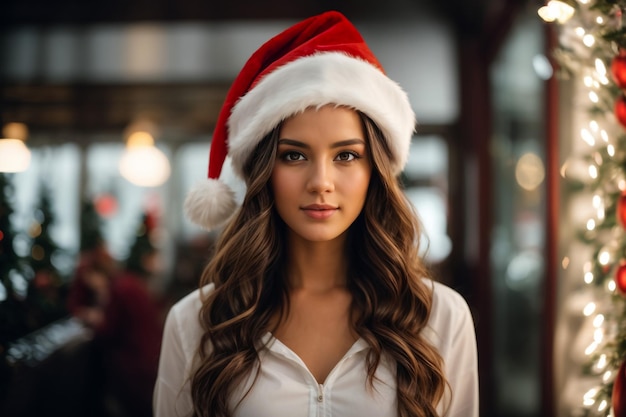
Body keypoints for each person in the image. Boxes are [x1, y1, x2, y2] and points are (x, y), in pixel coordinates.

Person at [154, 10, 478, 417]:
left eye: (345, 155)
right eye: (294, 155)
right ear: (264, 171)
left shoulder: (441, 317)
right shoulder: (197, 323)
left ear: (374, 170)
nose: (320, 181)